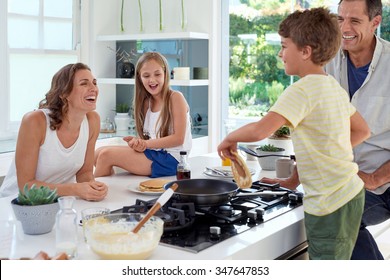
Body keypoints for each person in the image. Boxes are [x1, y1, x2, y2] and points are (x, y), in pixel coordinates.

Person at [218, 8, 371, 260]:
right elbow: (361, 130)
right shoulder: (332, 86)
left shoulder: (301, 90)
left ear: (305, 51)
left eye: (284, 46)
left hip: (329, 204)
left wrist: (229, 138)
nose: (280, 53)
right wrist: (292, 181)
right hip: (350, 193)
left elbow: (260, 130)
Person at [262, 0, 390, 260]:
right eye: (340, 19)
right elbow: (320, 135)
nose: (344, 27)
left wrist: (377, 177)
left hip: (383, 175)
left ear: (376, 22)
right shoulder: (324, 66)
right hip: (350, 183)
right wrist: (294, 179)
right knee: (343, 221)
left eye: (354, 20)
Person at [0, 63, 108, 201]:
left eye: (94, 83)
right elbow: (26, 187)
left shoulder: (93, 120)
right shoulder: (35, 121)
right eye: (84, 84)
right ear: (64, 93)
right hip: (16, 204)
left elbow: (85, 173)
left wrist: (93, 187)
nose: (94, 89)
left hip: (58, 202)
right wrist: (75, 189)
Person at [94, 52, 192, 178]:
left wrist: (145, 144)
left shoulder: (175, 98)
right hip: (154, 153)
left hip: (173, 160)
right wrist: (138, 143)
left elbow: (178, 138)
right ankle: (107, 188)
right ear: (139, 78)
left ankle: (92, 191)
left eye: (157, 74)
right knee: (97, 153)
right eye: (146, 75)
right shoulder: (147, 103)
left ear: (165, 74)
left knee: (106, 155)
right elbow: (146, 140)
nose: (152, 80)